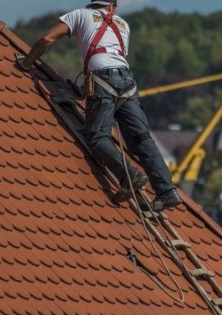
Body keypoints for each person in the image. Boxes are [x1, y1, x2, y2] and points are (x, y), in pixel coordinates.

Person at [16, 0, 182, 211]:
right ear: (112, 7)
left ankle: (129, 176)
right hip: (127, 82)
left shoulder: (79, 15)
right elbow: (113, 57)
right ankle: (167, 191)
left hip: (103, 79)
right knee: (141, 138)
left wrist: (26, 63)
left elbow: (47, 39)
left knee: (97, 137)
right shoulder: (123, 24)